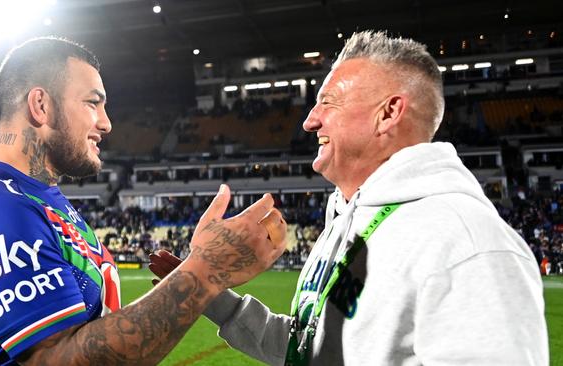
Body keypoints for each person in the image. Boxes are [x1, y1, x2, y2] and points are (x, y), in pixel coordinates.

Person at [149, 31, 549, 365]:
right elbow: (310, 350)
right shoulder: (347, 221)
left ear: (388, 113)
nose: (309, 120)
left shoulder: (466, 243)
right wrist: (209, 292)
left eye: (328, 102)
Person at [0, 36, 287, 365]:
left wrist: (190, 274)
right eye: (93, 102)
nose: (106, 123)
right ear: (41, 105)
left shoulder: (43, 198)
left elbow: (93, 330)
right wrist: (206, 270)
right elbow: (58, 359)